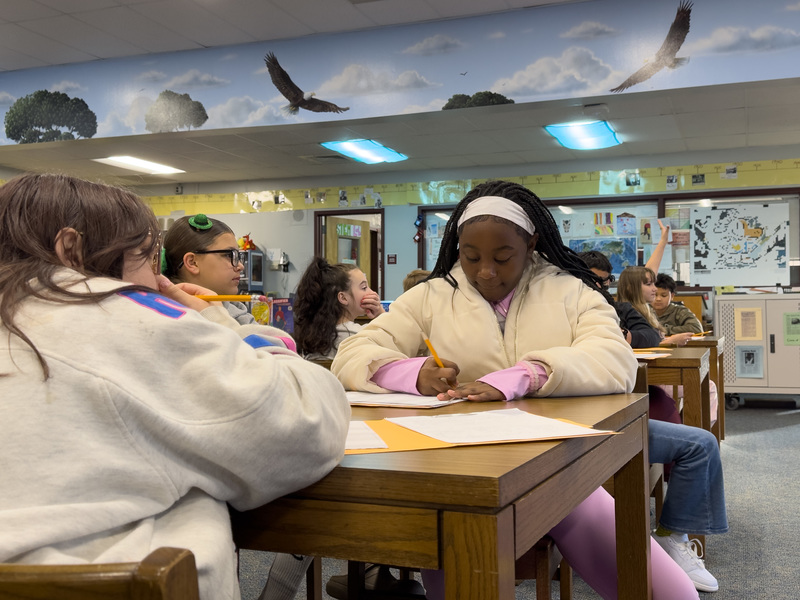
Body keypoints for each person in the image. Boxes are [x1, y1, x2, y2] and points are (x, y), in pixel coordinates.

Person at [333, 179, 699, 599]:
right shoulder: (434, 295)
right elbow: (354, 352)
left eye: (503, 257)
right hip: (457, 470)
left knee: (673, 594)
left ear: (531, 244)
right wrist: (411, 373)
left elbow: (615, 358)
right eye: (470, 257)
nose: (485, 272)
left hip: (557, 464)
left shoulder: (570, 290)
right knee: (458, 543)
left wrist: (529, 374)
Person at [0, 173, 350, 600]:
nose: (156, 280)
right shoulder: (119, 314)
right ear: (69, 249)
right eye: (147, 260)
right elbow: (305, 425)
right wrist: (216, 323)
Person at [579, 251, 727, 593]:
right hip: (587, 420)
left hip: (620, 409)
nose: (598, 286)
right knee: (688, 429)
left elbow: (647, 335)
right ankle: (671, 532)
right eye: (592, 279)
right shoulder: (560, 313)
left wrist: (626, 337)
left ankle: (674, 535)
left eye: (604, 281)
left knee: (699, 441)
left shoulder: (614, 310)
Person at [162, 214, 255, 326]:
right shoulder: (167, 319)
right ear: (192, 262)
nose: (240, 266)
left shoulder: (238, 312)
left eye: (238, 256)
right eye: (229, 255)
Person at [293, 256, 384, 360]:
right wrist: (381, 313)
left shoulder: (313, 338)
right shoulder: (361, 336)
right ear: (343, 297)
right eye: (364, 288)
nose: (372, 293)